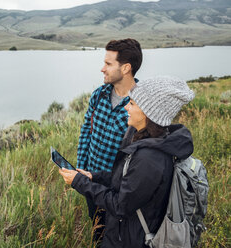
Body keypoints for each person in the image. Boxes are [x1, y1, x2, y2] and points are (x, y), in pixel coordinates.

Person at [60, 76, 195, 247]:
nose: (126, 107)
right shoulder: (144, 139)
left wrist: (79, 182)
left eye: (131, 103)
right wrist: (93, 177)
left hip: (130, 240)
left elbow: (120, 206)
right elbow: (128, 181)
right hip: (123, 233)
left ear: (149, 113)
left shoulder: (150, 159)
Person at [77, 38, 142, 243]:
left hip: (119, 190)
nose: (102, 69)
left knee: (119, 239)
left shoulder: (140, 104)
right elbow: (86, 132)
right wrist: (81, 170)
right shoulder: (99, 94)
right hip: (91, 182)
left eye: (108, 63)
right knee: (98, 233)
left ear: (126, 68)